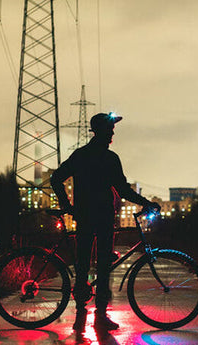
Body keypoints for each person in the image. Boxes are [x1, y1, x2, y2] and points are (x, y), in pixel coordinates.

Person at [50, 112, 160, 333]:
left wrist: (68, 206)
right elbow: (123, 189)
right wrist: (145, 202)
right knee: (102, 265)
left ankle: (81, 313)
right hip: (102, 217)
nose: (112, 133)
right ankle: (100, 315)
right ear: (99, 131)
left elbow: (55, 178)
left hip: (84, 216)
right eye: (109, 129)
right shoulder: (110, 159)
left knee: (83, 262)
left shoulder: (80, 156)